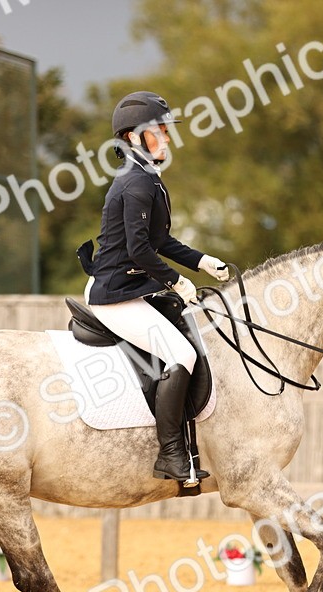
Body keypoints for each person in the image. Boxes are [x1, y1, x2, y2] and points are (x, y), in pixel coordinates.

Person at [83, 90, 231, 482]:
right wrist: (178, 281)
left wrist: (201, 261)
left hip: (132, 284)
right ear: (133, 137)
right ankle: (170, 454)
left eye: (166, 130)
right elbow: (139, 249)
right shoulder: (136, 183)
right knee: (182, 354)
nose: (166, 138)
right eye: (158, 131)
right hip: (115, 293)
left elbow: (161, 242)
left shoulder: (147, 178)